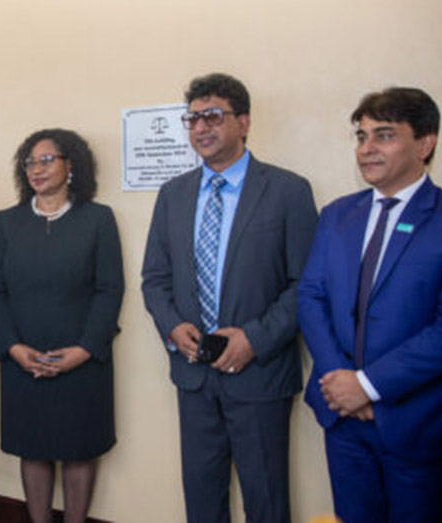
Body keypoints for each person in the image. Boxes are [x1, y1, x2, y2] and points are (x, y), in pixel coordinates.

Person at [141, 73, 318, 523]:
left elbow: (306, 285)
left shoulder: (287, 191)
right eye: (193, 118)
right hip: (193, 374)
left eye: (213, 116)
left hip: (259, 375)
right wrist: (171, 326)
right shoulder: (173, 194)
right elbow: (154, 279)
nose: (201, 127)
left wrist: (253, 340)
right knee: (201, 498)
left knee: (266, 499)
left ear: (244, 122)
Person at [298, 87, 442, 523]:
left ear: (425, 142)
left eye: (384, 135)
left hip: (421, 423)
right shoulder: (337, 215)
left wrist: (369, 385)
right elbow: (310, 295)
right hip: (343, 420)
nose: (367, 148)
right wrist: (340, 381)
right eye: (361, 137)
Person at [0, 129, 124, 523]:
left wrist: (83, 350)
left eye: (47, 160)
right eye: (29, 161)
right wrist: (13, 348)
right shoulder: (8, 222)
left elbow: (110, 289)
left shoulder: (98, 218)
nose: (36, 168)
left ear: (71, 164)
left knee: (80, 450)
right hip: (24, 359)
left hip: (83, 359)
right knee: (34, 449)